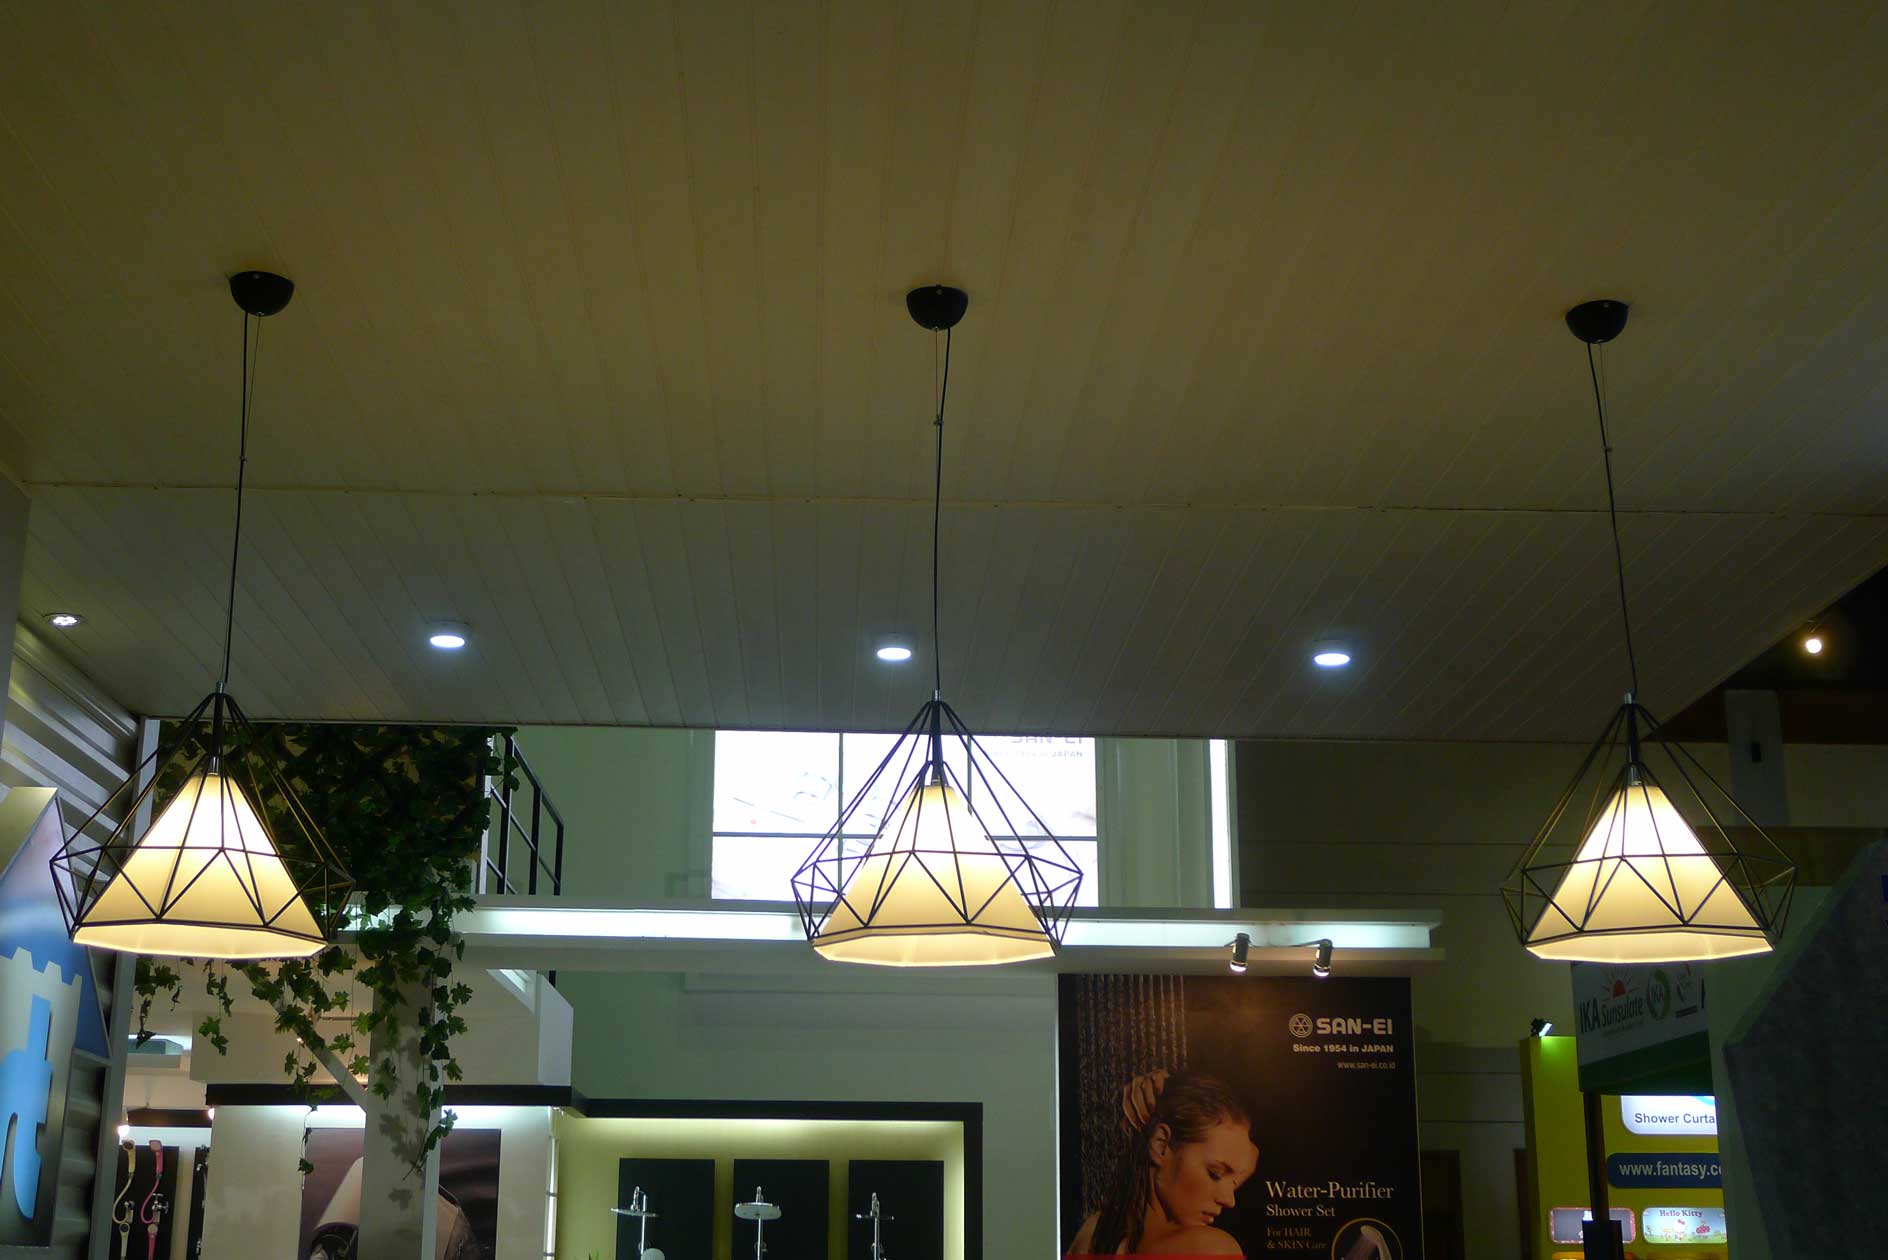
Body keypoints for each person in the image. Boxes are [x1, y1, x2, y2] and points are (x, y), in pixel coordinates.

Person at [1067, 1070, 1259, 1256]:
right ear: (1161, 1145)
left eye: (1233, 1182)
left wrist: (1168, 1096)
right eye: (1215, 1174)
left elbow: (1248, 1155)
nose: (1229, 1200)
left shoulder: (1091, 1233)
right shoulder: (1211, 1249)